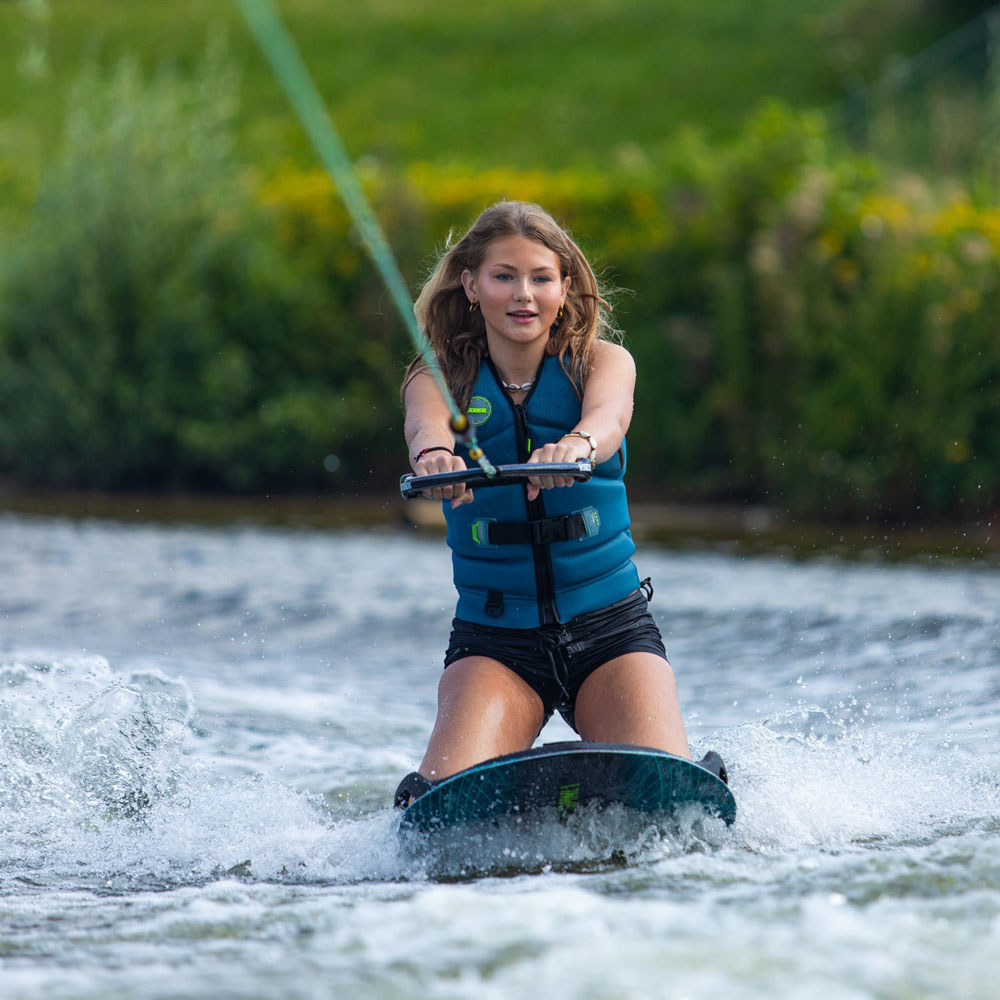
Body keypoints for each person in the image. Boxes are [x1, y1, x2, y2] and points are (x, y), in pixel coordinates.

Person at [394, 201, 724, 807]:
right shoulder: (436, 379)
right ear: (471, 284)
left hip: (609, 631)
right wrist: (437, 462)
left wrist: (575, 445)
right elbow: (426, 432)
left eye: (541, 278)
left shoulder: (602, 362)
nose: (525, 295)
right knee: (436, 803)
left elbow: (609, 418)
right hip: (496, 640)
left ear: (564, 286)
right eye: (504, 276)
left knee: (670, 792)